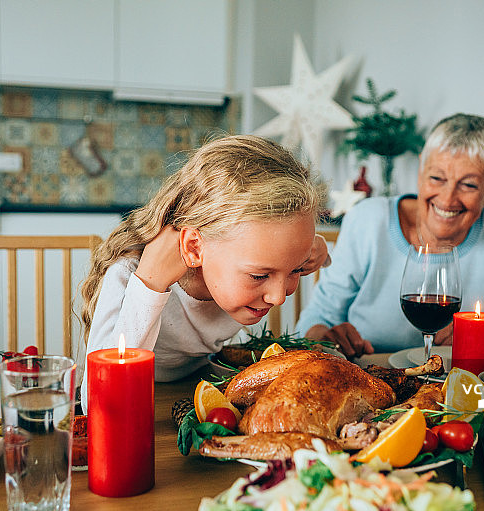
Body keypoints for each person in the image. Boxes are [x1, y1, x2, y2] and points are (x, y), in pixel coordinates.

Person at [296, 113, 484, 357]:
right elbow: (311, 323)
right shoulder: (369, 220)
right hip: (374, 385)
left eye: (469, 185)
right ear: (421, 170)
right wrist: (323, 335)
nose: (448, 199)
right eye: (437, 178)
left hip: (464, 393)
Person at [79, 135, 328, 412]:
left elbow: (301, 251)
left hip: (201, 389)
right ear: (195, 248)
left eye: (295, 269)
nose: (279, 297)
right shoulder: (131, 273)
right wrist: (150, 285)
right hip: (143, 403)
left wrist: (313, 249)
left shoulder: (259, 255)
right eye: (259, 276)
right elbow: (96, 402)